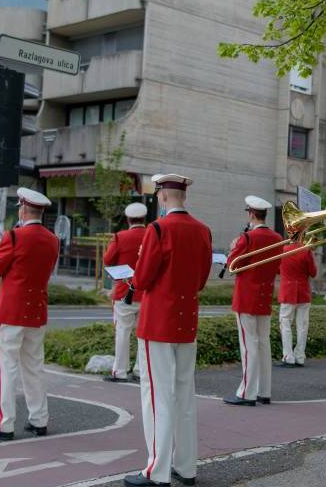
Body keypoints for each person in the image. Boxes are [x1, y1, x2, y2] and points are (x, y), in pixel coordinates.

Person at [124, 174, 213, 487]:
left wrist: (132, 283)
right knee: (184, 396)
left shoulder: (157, 228)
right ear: (183, 195)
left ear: (162, 196)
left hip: (158, 322)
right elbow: (201, 280)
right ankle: (186, 467)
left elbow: (145, 276)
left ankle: (156, 471)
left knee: (157, 397)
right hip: (186, 322)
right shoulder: (203, 230)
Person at [0, 188, 60, 441]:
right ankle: (38, 419)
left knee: (6, 368)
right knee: (34, 367)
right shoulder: (53, 239)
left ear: (23, 209)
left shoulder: (13, 236)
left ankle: (2, 423)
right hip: (37, 310)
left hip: (12, 311)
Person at [224, 195, 283, 406]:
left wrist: (233, 248)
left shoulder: (247, 238)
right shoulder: (277, 238)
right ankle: (263, 391)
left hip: (246, 296)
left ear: (251, 214)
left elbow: (232, 266)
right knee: (263, 343)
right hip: (264, 296)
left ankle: (247, 393)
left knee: (248, 345)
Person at [103, 202, 149, 383]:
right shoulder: (152, 235)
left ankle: (120, 371)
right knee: (143, 334)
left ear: (128, 219)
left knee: (122, 332)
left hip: (124, 292)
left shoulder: (120, 237)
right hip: (146, 293)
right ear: (144, 219)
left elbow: (108, 260)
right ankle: (140, 370)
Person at [277, 240, 317, 368]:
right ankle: (300, 356)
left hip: (287, 291)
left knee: (285, 323)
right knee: (303, 325)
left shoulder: (282, 250)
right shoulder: (307, 250)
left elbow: (277, 269)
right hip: (303, 291)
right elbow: (313, 272)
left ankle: (288, 356)